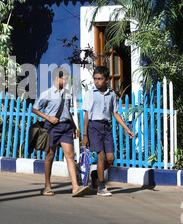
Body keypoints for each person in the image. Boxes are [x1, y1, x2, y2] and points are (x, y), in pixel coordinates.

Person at [32, 67, 90, 197]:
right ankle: (47, 185)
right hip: (52, 127)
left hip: (66, 127)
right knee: (50, 156)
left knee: (70, 156)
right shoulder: (46, 94)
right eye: (64, 79)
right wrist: (48, 118)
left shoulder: (67, 93)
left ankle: (75, 187)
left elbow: (67, 111)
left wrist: (74, 126)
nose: (66, 81)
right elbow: (35, 109)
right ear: (56, 78)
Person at [81, 66, 136, 196]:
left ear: (107, 80)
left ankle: (95, 174)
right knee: (100, 156)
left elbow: (115, 113)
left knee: (110, 158)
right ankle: (101, 187)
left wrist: (126, 128)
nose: (97, 82)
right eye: (95, 79)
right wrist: (85, 135)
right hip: (94, 127)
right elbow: (86, 114)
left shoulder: (111, 94)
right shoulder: (90, 94)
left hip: (106, 127)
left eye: (100, 79)